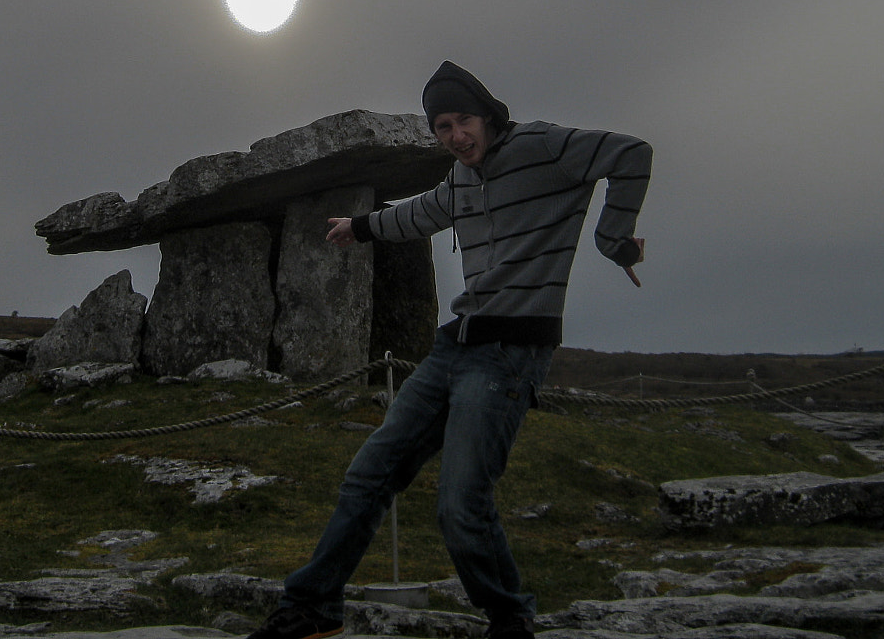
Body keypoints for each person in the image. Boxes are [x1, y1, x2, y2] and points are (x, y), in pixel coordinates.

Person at [249, 61, 653, 639]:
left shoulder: (544, 146)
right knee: (369, 474)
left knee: (461, 503)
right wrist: (362, 226)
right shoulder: (462, 177)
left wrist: (614, 236)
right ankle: (312, 607)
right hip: (454, 348)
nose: (456, 136)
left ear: (487, 115)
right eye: (442, 127)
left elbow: (632, 154)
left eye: (463, 120)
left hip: (511, 353)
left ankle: (510, 618)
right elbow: (427, 211)